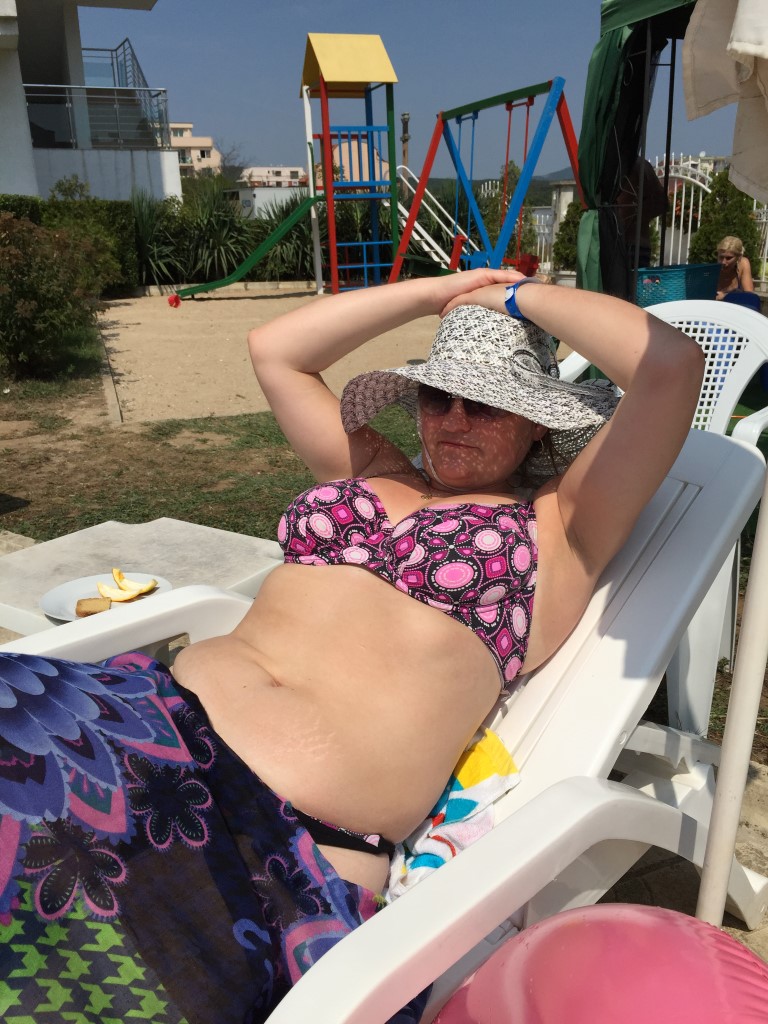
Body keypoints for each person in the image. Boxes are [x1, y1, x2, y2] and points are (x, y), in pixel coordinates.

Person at [0, 270, 704, 1023]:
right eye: (437, 396)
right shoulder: (371, 471)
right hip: (137, 718)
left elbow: (670, 367)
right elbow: (276, 351)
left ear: (538, 422)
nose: (454, 419)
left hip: (279, 830)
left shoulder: (563, 526)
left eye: (487, 404)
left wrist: (514, 295)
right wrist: (443, 291)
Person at [615, 156, 668, 268]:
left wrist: (637, 216)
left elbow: (662, 203)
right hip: (636, 242)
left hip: (631, 243)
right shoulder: (641, 165)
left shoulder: (631, 165)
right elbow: (663, 203)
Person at [716, 235, 755, 300]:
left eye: (728, 258)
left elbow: (749, 296)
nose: (723, 262)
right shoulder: (711, 270)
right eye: (721, 257)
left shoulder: (743, 263)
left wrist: (725, 296)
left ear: (739, 257)